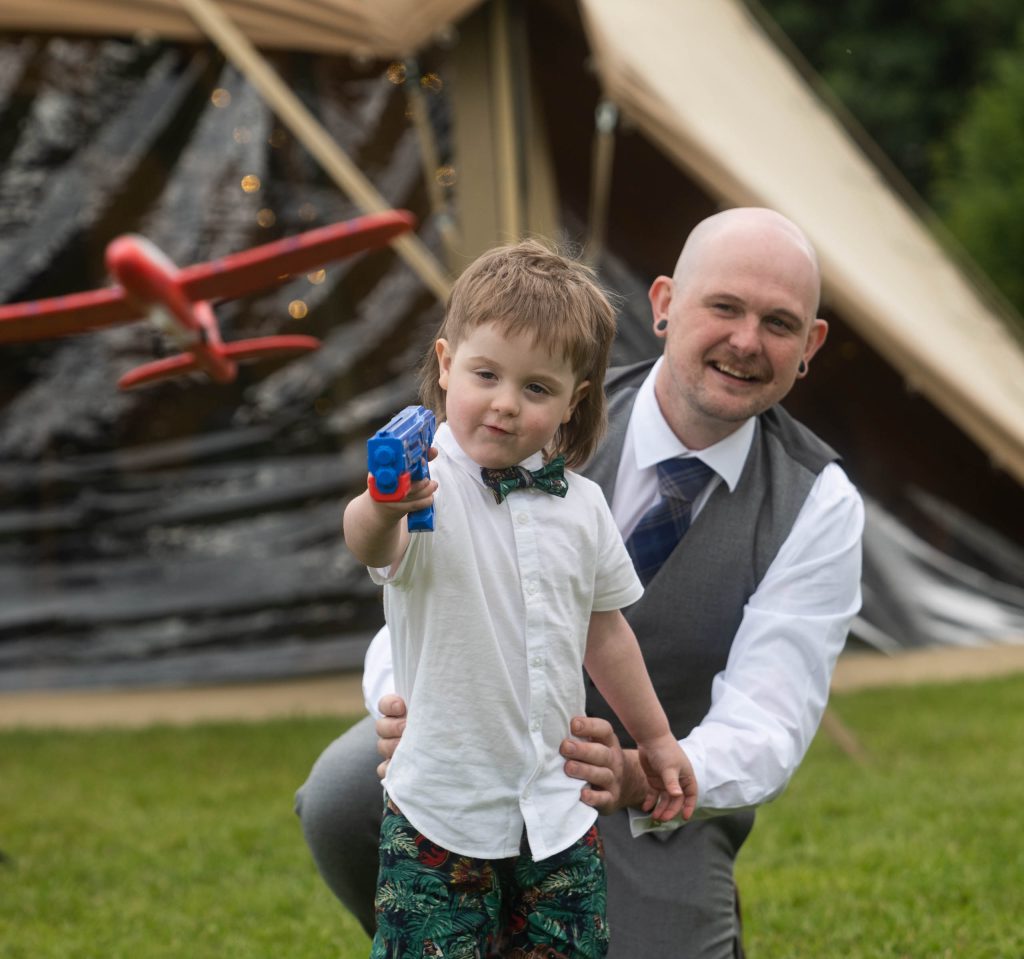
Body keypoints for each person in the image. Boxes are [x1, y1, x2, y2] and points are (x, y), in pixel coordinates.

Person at [296, 208, 865, 958]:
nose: (746, 341)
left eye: (779, 323)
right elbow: (416, 580)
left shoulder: (818, 501)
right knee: (343, 791)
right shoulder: (522, 411)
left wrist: (649, 769)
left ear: (809, 347)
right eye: (723, 307)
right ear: (664, 305)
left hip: (642, 805)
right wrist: (399, 700)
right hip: (476, 748)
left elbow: (771, 714)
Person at [341, 239, 697, 959]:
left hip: (558, 809)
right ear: (446, 365)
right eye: (485, 373)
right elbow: (368, 542)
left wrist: (656, 739)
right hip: (442, 811)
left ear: (575, 400)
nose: (505, 403)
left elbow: (606, 633)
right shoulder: (424, 483)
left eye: (536, 388)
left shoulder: (584, 507)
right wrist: (385, 505)